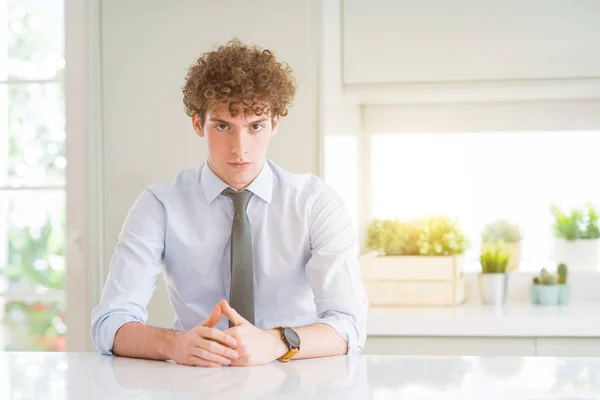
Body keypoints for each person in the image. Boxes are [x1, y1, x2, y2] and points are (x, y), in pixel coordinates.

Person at [90, 39, 368, 367]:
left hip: (298, 379)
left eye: (255, 127)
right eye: (223, 126)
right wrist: (174, 345)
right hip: (197, 381)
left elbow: (349, 325)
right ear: (198, 123)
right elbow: (109, 323)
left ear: (274, 124)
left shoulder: (315, 203)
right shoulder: (159, 205)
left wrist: (277, 341)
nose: (240, 147)